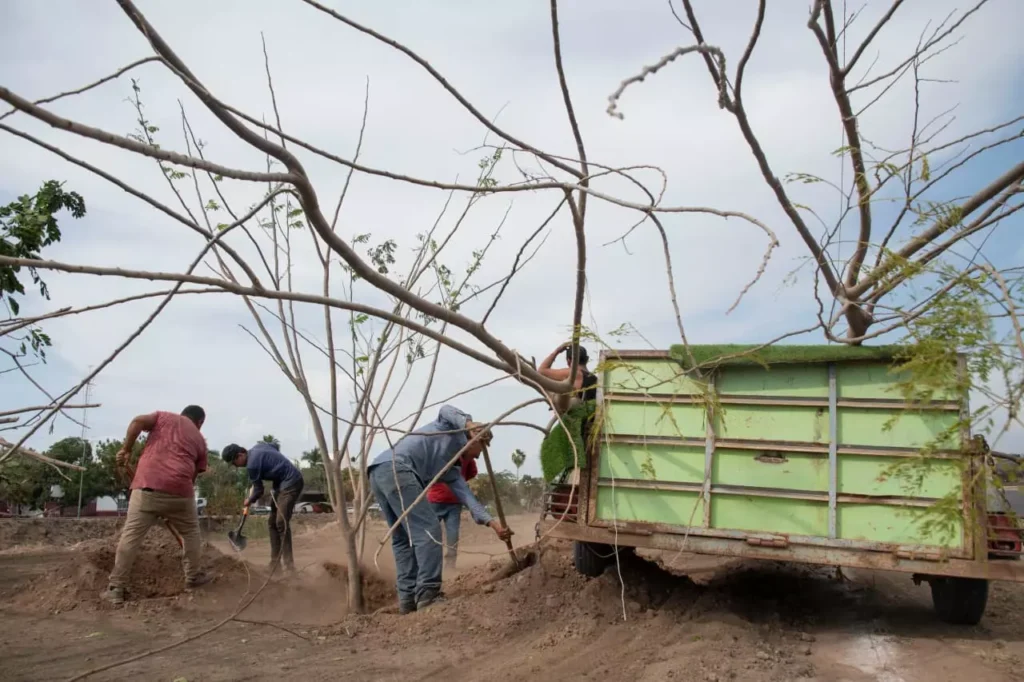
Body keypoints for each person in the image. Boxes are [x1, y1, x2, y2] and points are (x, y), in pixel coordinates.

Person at [368, 405, 511, 614]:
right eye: (481, 450)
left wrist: (494, 524)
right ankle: (428, 594)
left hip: (378, 470)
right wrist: (469, 424)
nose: (479, 457)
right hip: (397, 467)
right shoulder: (450, 428)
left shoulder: (449, 469)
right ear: (475, 440)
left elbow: (468, 498)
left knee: (403, 538)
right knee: (429, 531)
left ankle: (407, 600)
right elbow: (446, 410)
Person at [102, 405, 210, 605]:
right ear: (200, 422)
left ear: (182, 414)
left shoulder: (163, 417)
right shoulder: (201, 441)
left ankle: (116, 588)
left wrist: (126, 450)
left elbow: (137, 422)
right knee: (191, 533)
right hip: (180, 492)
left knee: (131, 536)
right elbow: (193, 476)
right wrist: (173, 499)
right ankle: (193, 577)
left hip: (147, 488)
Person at [221, 441, 304, 572]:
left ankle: (289, 567)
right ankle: (275, 565)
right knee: (272, 523)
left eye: (234, 463)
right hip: (281, 484)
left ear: (240, 455)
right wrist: (275, 463)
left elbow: (259, 491)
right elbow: (274, 446)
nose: (236, 467)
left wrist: (249, 500)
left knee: (281, 522)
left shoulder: (252, 465)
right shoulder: (258, 447)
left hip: (291, 482)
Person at [426, 451, 479, 570]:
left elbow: (472, 472)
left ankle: (439, 566)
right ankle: (438, 565)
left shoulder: (442, 453)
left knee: (437, 534)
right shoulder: (465, 454)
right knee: (446, 534)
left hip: (445, 501)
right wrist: (459, 480)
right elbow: (472, 473)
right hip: (440, 500)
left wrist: (459, 480)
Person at [539, 341, 598, 414]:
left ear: (569, 361)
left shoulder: (572, 373)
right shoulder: (595, 379)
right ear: (587, 359)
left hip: (576, 414)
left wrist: (557, 351)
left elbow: (541, 371)